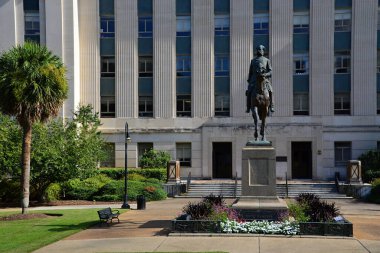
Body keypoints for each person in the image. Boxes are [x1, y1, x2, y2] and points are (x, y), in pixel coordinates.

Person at [246, 45, 274, 113]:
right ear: (257, 51)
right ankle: (248, 107)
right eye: (259, 50)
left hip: (264, 80)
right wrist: (249, 80)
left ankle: (272, 106)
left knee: (270, 91)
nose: (260, 51)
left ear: (263, 51)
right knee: (249, 92)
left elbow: (270, 71)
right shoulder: (253, 61)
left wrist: (265, 74)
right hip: (254, 80)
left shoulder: (267, 60)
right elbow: (250, 72)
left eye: (261, 50)